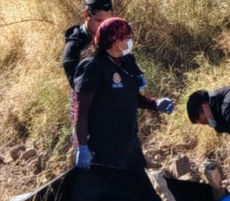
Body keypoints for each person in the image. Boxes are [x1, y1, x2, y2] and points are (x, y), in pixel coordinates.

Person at [72, 17, 175, 171]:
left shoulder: (126, 62)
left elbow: (130, 97)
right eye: (128, 38)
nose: (131, 41)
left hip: (130, 145)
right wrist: (82, 146)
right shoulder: (93, 67)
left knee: (139, 184)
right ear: (116, 41)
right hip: (105, 149)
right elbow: (80, 107)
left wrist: (155, 103)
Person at [62, 0, 113, 88]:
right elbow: (78, 85)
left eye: (108, 21)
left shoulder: (115, 37)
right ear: (86, 15)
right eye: (99, 21)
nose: (104, 26)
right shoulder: (74, 45)